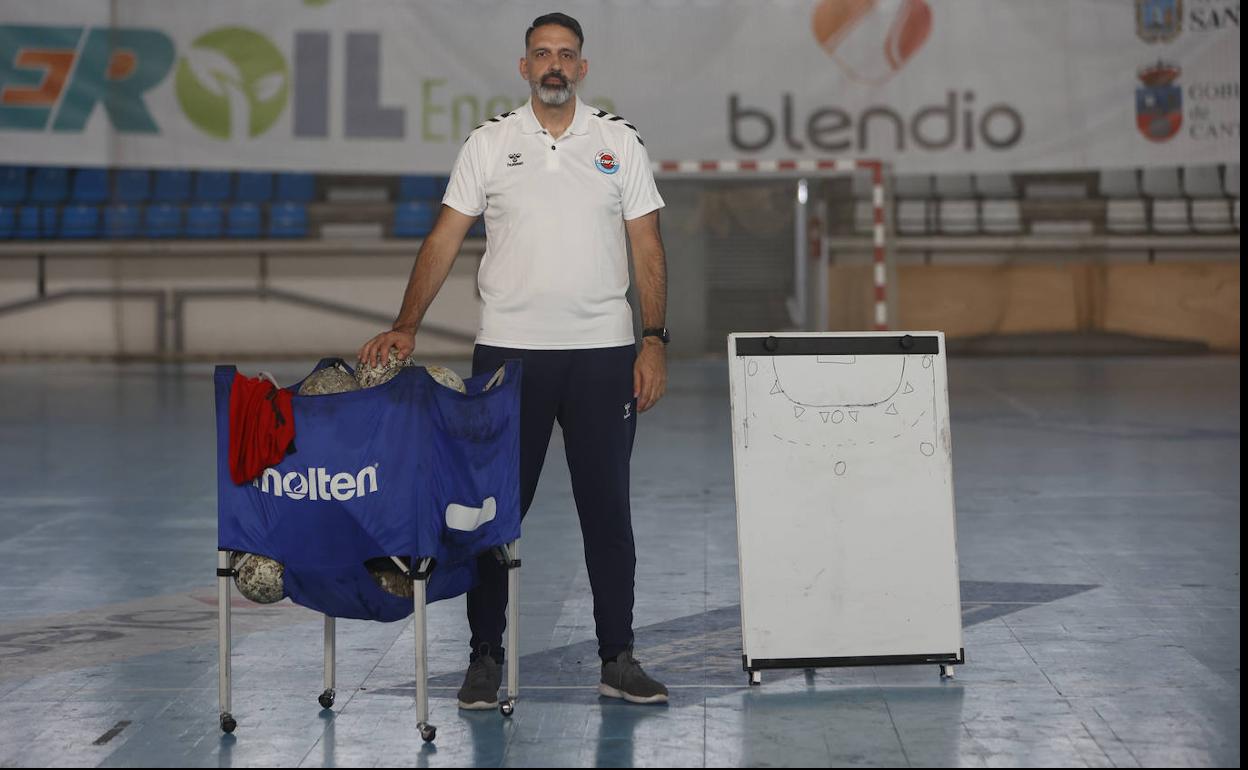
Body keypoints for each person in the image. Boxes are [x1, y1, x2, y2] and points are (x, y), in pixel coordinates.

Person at [357, 11, 671, 708]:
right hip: (509, 355)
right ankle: (484, 658)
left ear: (582, 68)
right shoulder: (490, 144)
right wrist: (407, 324)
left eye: (565, 54)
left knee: (608, 515)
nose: (554, 64)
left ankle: (617, 657)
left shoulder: (619, 142)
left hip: (602, 355)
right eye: (541, 54)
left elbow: (647, 248)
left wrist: (654, 339)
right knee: (492, 515)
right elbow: (442, 241)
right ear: (523, 68)